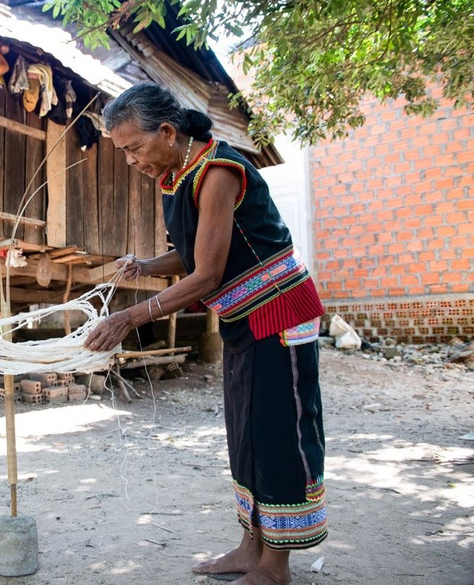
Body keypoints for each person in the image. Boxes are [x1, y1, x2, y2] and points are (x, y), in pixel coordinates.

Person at [84, 82, 327, 585]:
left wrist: (129, 318)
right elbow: (195, 252)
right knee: (245, 433)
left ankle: (275, 568)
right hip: (244, 319)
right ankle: (249, 548)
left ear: (167, 132)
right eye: (123, 152)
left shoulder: (218, 172)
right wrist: (145, 265)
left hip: (278, 314)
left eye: (134, 148)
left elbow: (208, 274)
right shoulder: (177, 177)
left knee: (276, 434)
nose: (131, 161)